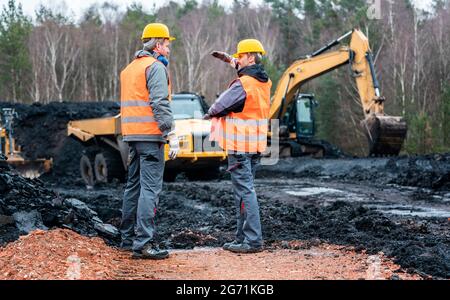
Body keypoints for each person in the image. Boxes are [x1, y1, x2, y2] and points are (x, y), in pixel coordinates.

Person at [119, 23, 180, 260]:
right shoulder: (155, 68)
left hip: (132, 137)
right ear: (157, 45)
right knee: (150, 189)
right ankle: (143, 243)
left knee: (133, 187)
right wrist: (170, 133)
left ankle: (127, 239)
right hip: (150, 136)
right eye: (167, 44)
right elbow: (159, 103)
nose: (169, 49)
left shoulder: (129, 69)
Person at [206, 39, 272, 253]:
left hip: (239, 145)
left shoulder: (243, 84)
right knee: (244, 191)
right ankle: (242, 238)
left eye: (240, 56)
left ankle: (252, 241)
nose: (238, 59)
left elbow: (219, 106)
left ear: (250, 57)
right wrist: (229, 59)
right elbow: (245, 68)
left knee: (244, 192)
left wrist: (209, 113)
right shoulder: (264, 81)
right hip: (256, 145)